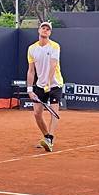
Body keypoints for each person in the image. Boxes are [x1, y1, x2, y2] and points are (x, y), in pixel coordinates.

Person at [26, 21, 63, 152]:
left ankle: (50, 139)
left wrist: (48, 82)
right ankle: (47, 137)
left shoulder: (55, 46)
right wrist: (30, 89)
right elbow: (31, 71)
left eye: (48, 29)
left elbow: (53, 65)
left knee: (54, 112)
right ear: (39, 30)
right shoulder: (32, 49)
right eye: (43, 28)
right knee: (37, 114)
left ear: (50, 32)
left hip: (55, 84)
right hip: (40, 85)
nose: (45, 30)